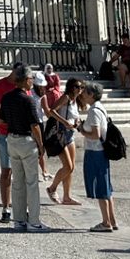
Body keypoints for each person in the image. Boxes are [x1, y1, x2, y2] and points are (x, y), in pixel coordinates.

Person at [0, 67, 50, 232]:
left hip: (12, 139)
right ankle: (33, 221)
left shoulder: (6, 97)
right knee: (32, 183)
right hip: (26, 141)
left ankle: (19, 220)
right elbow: (35, 125)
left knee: (18, 182)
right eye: (31, 78)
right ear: (26, 80)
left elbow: (1, 119)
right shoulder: (28, 100)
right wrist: (41, 145)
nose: (32, 81)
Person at [75, 83, 118, 232]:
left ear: (91, 95)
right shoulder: (100, 108)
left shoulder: (93, 111)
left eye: (85, 92)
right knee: (106, 186)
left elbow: (95, 134)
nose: (82, 94)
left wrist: (81, 129)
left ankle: (106, 222)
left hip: (95, 151)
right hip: (101, 151)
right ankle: (112, 220)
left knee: (100, 187)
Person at [0, 64, 28, 223]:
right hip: (5, 133)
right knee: (7, 170)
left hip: (21, 133)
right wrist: (12, 121)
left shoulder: (25, 86)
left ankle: (22, 207)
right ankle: (6, 208)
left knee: (22, 171)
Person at [46, 77, 84, 206]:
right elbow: (52, 110)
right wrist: (64, 122)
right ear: (71, 87)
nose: (80, 89)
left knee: (71, 168)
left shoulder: (75, 101)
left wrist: (77, 122)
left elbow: (74, 116)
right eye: (77, 87)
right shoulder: (66, 97)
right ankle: (52, 188)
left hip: (70, 134)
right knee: (68, 166)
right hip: (61, 133)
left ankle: (67, 197)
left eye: (81, 87)